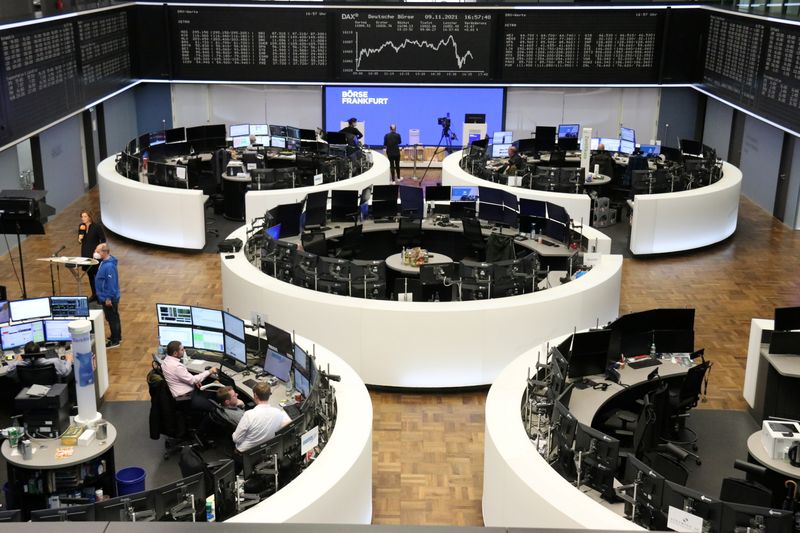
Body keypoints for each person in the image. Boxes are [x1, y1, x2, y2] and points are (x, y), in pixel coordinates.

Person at [232, 382, 291, 452]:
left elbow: (236, 439)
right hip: (267, 451)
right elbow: (289, 422)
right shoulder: (278, 413)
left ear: (255, 395)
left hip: (246, 454)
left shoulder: (248, 415)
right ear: (269, 395)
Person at [161, 340, 218, 412]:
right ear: (175, 353)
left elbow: (183, 376)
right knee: (213, 408)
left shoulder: (165, 361)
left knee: (210, 393)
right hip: (187, 397)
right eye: (182, 350)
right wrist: (210, 371)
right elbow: (193, 380)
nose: (184, 351)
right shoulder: (177, 366)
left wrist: (194, 380)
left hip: (180, 393)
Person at [94, 243, 121, 348]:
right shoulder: (105, 262)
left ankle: (115, 341)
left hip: (109, 298)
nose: (96, 253)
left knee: (112, 319)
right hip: (106, 296)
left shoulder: (109, 266)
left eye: (98, 251)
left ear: (104, 252)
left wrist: (108, 298)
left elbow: (112, 284)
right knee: (114, 318)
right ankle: (117, 336)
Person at [6, 341, 73, 381]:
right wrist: (69, 359)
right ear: (39, 352)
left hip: (28, 389)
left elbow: (8, 372)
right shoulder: (54, 362)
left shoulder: (19, 365)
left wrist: (17, 360)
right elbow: (65, 373)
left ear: (25, 354)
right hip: (51, 389)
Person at [78, 210, 106, 302]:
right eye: (82, 217)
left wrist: (99, 248)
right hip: (85, 254)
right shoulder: (81, 227)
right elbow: (80, 241)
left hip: (95, 255)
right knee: (90, 276)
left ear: (89, 217)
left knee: (97, 276)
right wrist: (79, 238)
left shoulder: (97, 227)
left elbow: (103, 240)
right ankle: (94, 294)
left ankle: (100, 296)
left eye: (85, 216)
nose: (83, 218)